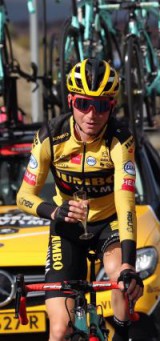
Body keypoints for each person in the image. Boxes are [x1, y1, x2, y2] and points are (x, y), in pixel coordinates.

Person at [16, 58, 144, 341]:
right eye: (83, 103)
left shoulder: (120, 140)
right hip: (68, 228)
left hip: (107, 226)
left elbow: (126, 201)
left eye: (101, 106)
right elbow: (23, 196)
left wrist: (128, 263)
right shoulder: (50, 136)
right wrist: (54, 211)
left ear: (111, 107)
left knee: (120, 279)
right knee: (60, 329)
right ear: (71, 101)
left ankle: (122, 335)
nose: (91, 114)